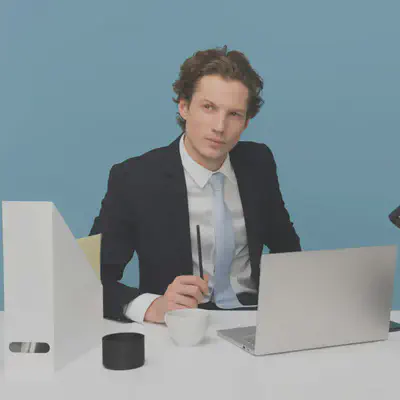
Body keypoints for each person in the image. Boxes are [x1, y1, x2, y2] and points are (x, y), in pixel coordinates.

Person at [90, 45, 301, 324]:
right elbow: (89, 280)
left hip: (256, 320)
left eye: (234, 114)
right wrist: (153, 306)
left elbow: (289, 253)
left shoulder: (258, 163)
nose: (219, 127)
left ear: (247, 122)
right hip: (179, 328)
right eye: (209, 108)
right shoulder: (134, 178)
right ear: (184, 106)